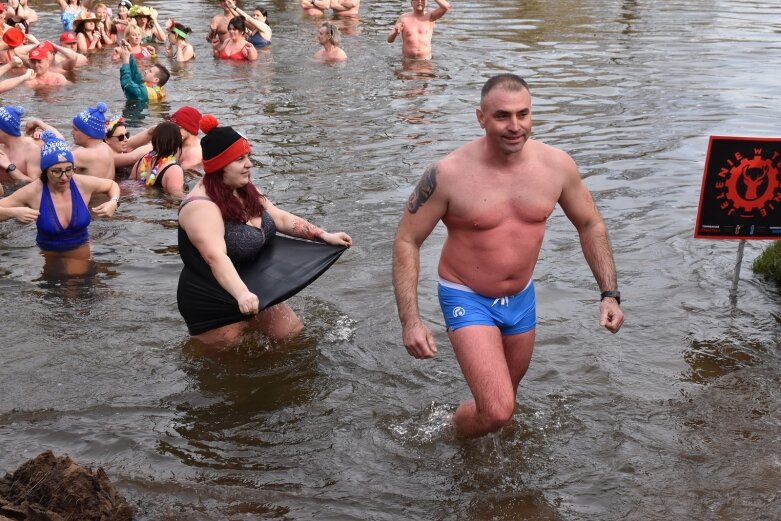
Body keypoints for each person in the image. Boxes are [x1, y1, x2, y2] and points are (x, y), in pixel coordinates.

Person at [392, 74, 624, 438]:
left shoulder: (556, 166)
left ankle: (476, 457)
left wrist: (609, 293)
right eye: (502, 116)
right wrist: (411, 321)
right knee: (498, 410)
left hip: (521, 297)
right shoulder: (448, 174)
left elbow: (590, 224)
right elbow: (407, 240)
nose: (515, 126)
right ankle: (447, 434)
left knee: (504, 407)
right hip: (466, 296)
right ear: (480, 117)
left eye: (523, 114)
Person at [177, 115, 352, 344]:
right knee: (231, 365)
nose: (249, 164)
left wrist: (323, 235)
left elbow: (278, 217)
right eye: (240, 159)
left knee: (292, 335)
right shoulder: (201, 207)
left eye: (248, 156)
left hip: (252, 284)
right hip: (213, 299)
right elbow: (215, 257)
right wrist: (241, 294)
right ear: (219, 167)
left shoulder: (244, 189)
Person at [0, 130, 119, 275]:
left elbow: (112, 185)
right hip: (48, 250)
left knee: (77, 286)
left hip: (79, 247)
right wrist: (14, 212)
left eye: (69, 170)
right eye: (56, 171)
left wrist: (113, 201)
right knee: (51, 289)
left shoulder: (81, 184)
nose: (64, 177)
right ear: (45, 171)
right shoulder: (33, 191)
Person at [130, 121, 183, 196]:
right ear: (177, 142)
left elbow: (130, 182)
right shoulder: (174, 170)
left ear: (154, 139)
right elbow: (176, 198)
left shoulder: (142, 160)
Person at [0, 105, 40, 184]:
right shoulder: (1, 146)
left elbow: (35, 184)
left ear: (3, 130)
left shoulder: (32, 150)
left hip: (21, 193)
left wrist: (9, 167)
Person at [169, 105, 203, 171]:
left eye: (177, 127)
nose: (173, 131)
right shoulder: (178, 143)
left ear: (188, 128)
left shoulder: (193, 154)